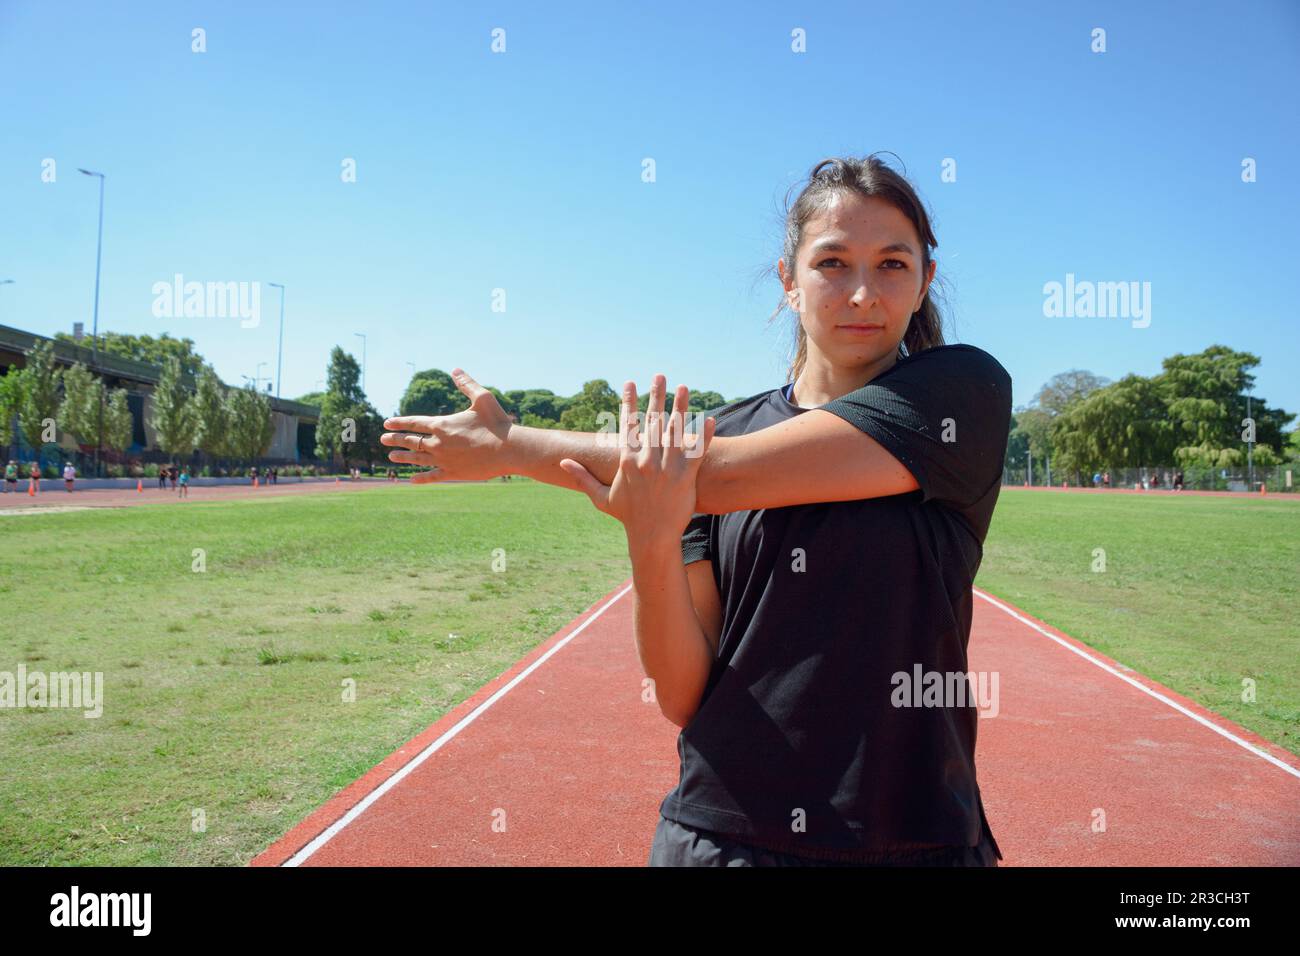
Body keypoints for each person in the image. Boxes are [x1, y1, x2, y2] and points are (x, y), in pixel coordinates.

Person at [381, 154, 1009, 867]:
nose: (862, 293)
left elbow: (712, 477)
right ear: (787, 281)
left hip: (913, 839)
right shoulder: (713, 434)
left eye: (892, 265)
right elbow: (684, 694)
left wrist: (508, 445)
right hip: (723, 839)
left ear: (926, 279)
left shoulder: (961, 395)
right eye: (832, 262)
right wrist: (650, 536)